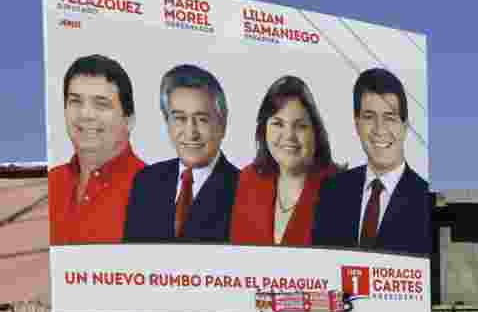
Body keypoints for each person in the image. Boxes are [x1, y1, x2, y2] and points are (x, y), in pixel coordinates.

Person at [311, 67, 431, 256]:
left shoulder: (426, 202)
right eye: (369, 117)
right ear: (357, 124)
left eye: (389, 118)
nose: (379, 129)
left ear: (405, 126)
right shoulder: (331, 192)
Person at [123, 64, 239, 242]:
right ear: (167, 123)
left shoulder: (244, 191)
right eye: (180, 119)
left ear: (222, 125)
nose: (191, 132)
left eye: (202, 119)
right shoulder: (145, 182)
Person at [230, 76, 343, 246]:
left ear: (315, 132)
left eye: (300, 126)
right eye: (278, 124)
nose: (289, 136)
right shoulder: (248, 180)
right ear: (264, 129)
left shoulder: (341, 188)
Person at [49, 54, 146, 244]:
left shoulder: (155, 193)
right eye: (75, 101)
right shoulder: (51, 183)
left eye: (101, 104)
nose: (85, 114)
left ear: (129, 120)